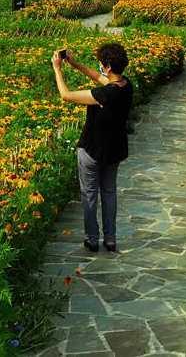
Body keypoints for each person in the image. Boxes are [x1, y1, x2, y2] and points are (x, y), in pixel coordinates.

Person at [52, 43, 133, 253]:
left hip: (92, 149)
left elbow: (66, 95)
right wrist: (75, 64)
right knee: (109, 193)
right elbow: (99, 78)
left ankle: (91, 239)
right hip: (115, 150)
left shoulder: (105, 95)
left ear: (107, 67)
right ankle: (110, 239)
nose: (99, 69)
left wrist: (57, 68)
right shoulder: (126, 85)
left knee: (89, 194)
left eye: (101, 64)